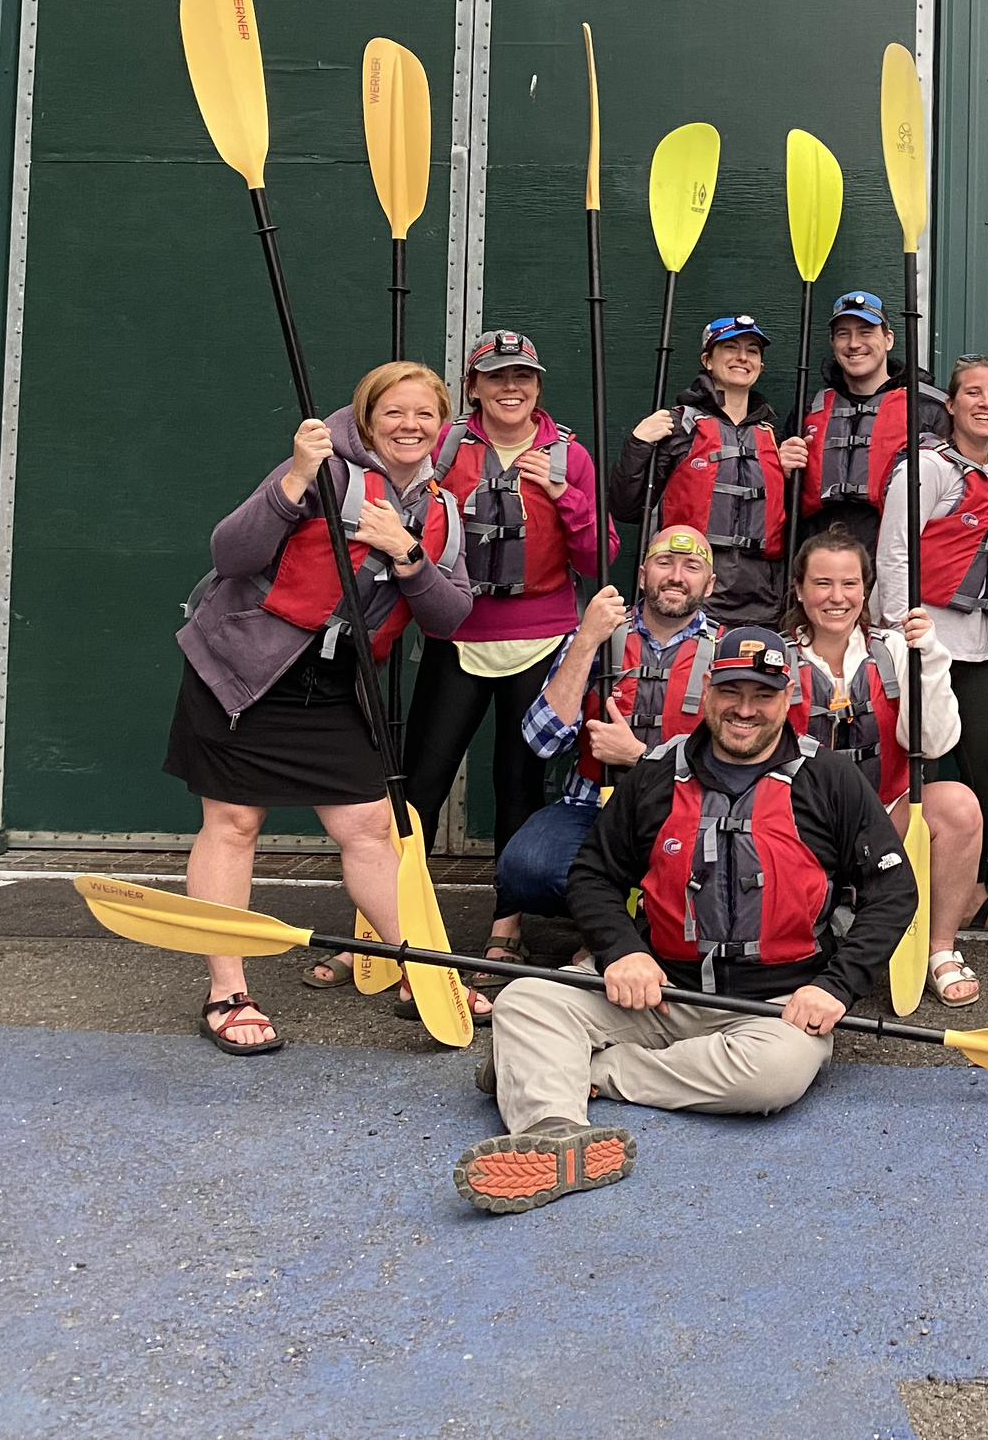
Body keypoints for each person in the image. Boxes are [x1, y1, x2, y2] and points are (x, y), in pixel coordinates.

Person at [457, 626, 915, 1214]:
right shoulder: (653, 773)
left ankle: (589, 1073)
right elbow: (594, 874)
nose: (745, 709)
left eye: (763, 694)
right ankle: (554, 1131)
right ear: (707, 688)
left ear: (788, 697)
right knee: (526, 1001)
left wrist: (837, 986)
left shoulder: (830, 779)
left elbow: (893, 890)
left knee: (775, 1076)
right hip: (659, 997)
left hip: (773, 1010)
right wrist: (622, 950)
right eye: (731, 691)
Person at [165, 361, 475, 1052]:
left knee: (368, 825)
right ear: (366, 419)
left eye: (424, 414)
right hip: (244, 671)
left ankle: (421, 968)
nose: (410, 426)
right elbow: (230, 550)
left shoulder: (442, 510)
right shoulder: (321, 469)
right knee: (234, 822)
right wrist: (293, 479)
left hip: (335, 686)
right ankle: (227, 990)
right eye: (393, 412)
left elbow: (451, 618)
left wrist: (407, 553)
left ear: (443, 424)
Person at [392, 330, 608, 973]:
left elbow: (597, 558)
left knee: (517, 785)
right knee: (420, 785)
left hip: (540, 637)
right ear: (474, 387)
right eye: (496, 377)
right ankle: (393, 923)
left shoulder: (568, 455)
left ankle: (504, 927)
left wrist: (563, 497)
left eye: (523, 377)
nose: (510, 387)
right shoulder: (443, 446)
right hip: (455, 635)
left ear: (538, 386)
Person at [492, 527, 722, 940]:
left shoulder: (727, 649)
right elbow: (542, 739)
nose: (676, 576)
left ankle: (620, 935)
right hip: (591, 806)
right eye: (664, 562)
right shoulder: (598, 631)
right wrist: (586, 640)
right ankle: (619, 926)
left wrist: (641, 756)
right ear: (641, 574)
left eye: (692, 567)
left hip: (687, 812)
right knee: (526, 867)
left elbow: (739, 759)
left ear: (710, 583)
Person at [781, 527, 977, 1003]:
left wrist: (928, 659)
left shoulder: (894, 650)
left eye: (849, 584)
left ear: (865, 589)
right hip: (796, 825)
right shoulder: (776, 657)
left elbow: (932, 743)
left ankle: (940, 950)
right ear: (800, 589)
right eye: (822, 583)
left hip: (882, 817)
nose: (836, 597)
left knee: (958, 806)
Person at [872, 355, 988, 939]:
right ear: (952, 405)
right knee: (919, 779)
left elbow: (981, 547)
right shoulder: (927, 468)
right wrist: (897, 635)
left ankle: (969, 892)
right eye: (974, 394)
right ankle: (908, 898)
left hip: (979, 646)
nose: (986, 403)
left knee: (984, 768)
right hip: (926, 644)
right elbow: (895, 552)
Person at [616, 314, 809, 624]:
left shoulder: (773, 440)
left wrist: (784, 474)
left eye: (753, 351)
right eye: (730, 347)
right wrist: (638, 445)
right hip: (688, 602)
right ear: (707, 359)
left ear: (760, 366)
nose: (742, 357)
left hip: (763, 607)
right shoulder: (678, 427)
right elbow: (626, 508)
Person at [796, 288, 951, 551]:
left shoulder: (928, 409)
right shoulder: (809, 409)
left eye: (866, 332)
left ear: (888, 339)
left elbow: (964, 500)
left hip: (897, 559)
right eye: (843, 334)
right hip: (820, 560)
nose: (854, 343)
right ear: (833, 342)